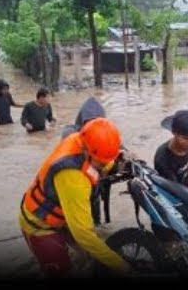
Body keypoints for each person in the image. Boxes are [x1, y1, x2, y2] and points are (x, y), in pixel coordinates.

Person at [19, 117, 132, 278]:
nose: (104, 166)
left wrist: (117, 164)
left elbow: (102, 161)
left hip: (65, 214)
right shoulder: (73, 177)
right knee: (62, 272)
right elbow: (83, 233)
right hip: (40, 225)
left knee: (88, 257)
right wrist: (121, 266)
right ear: (86, 151)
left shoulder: (79, 138)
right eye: (101, 163)